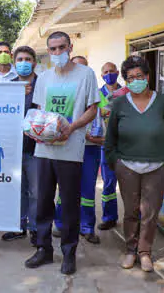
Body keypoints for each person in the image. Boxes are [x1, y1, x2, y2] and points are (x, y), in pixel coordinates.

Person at [25, 31, 100, 275]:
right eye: (53, 49)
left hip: (71, 151)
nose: (57, 53)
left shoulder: (85, 74)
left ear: (70, 47)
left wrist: (72, 127)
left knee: (69, 205)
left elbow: (92, 109)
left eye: (61, 47)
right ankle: (43, 250)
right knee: (43, 204)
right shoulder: (44, 78)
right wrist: (34, 129)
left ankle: (69, 253)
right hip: (44, 150)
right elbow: (38, 111)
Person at [105, 56, 164, 273]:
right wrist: (116, 163)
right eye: (130, 78)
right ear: (126, 81)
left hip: (156, 167)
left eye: (139, 76)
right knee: (130, 211)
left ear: (147, 76)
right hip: (127, 166)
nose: (135, 80)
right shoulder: (119, 103)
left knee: (150, 212)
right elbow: (110, 139)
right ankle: (130, 249)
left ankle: (145, 252)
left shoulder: (162, 102)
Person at [54, 56, 102, 245]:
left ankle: (87, 227)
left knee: (88, 190)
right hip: (66, 146)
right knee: (64, 189)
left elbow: (98, 120)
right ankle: (60, 224)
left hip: (89, 148)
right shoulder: (62, 91)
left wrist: (94, 136)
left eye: (83, 67)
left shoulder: (96, 93)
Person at [0, 45, 39, 245]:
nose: (24, 63)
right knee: (18, 190)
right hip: (13, 149)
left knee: (36, 192)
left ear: (34, 61)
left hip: (36, 149)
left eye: (27, 59)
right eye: (20, 59)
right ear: (14, 64)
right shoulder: (9, 85)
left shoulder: (43, 85)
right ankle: (19, 226)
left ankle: (35, 229)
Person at [98, 62, 121, 231]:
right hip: (106, 146)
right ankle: (109, 217)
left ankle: (136, 219)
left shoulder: (127, 93)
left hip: (128, 146)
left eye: (111, 71)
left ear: (118, 72)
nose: (109, 74)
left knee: (133, 186)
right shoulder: (97, 95)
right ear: (101, 76)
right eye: (105, 72)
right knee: (108, 184)